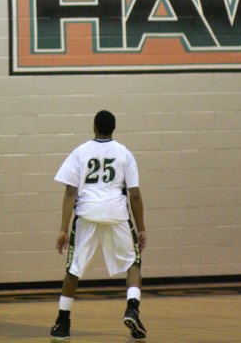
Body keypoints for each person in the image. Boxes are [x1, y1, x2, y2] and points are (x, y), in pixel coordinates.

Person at [49, 110, 147, 340]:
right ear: (114, 128)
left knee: (74, 269)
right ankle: (132, 308)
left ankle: (63, 323)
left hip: (87, 214)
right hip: (117, 214)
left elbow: (71, 191)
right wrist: (141, 228)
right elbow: (134, 195)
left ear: (94, 127)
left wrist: (63, 229)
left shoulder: (80, 152)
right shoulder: (125, 153)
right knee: (133, 264)